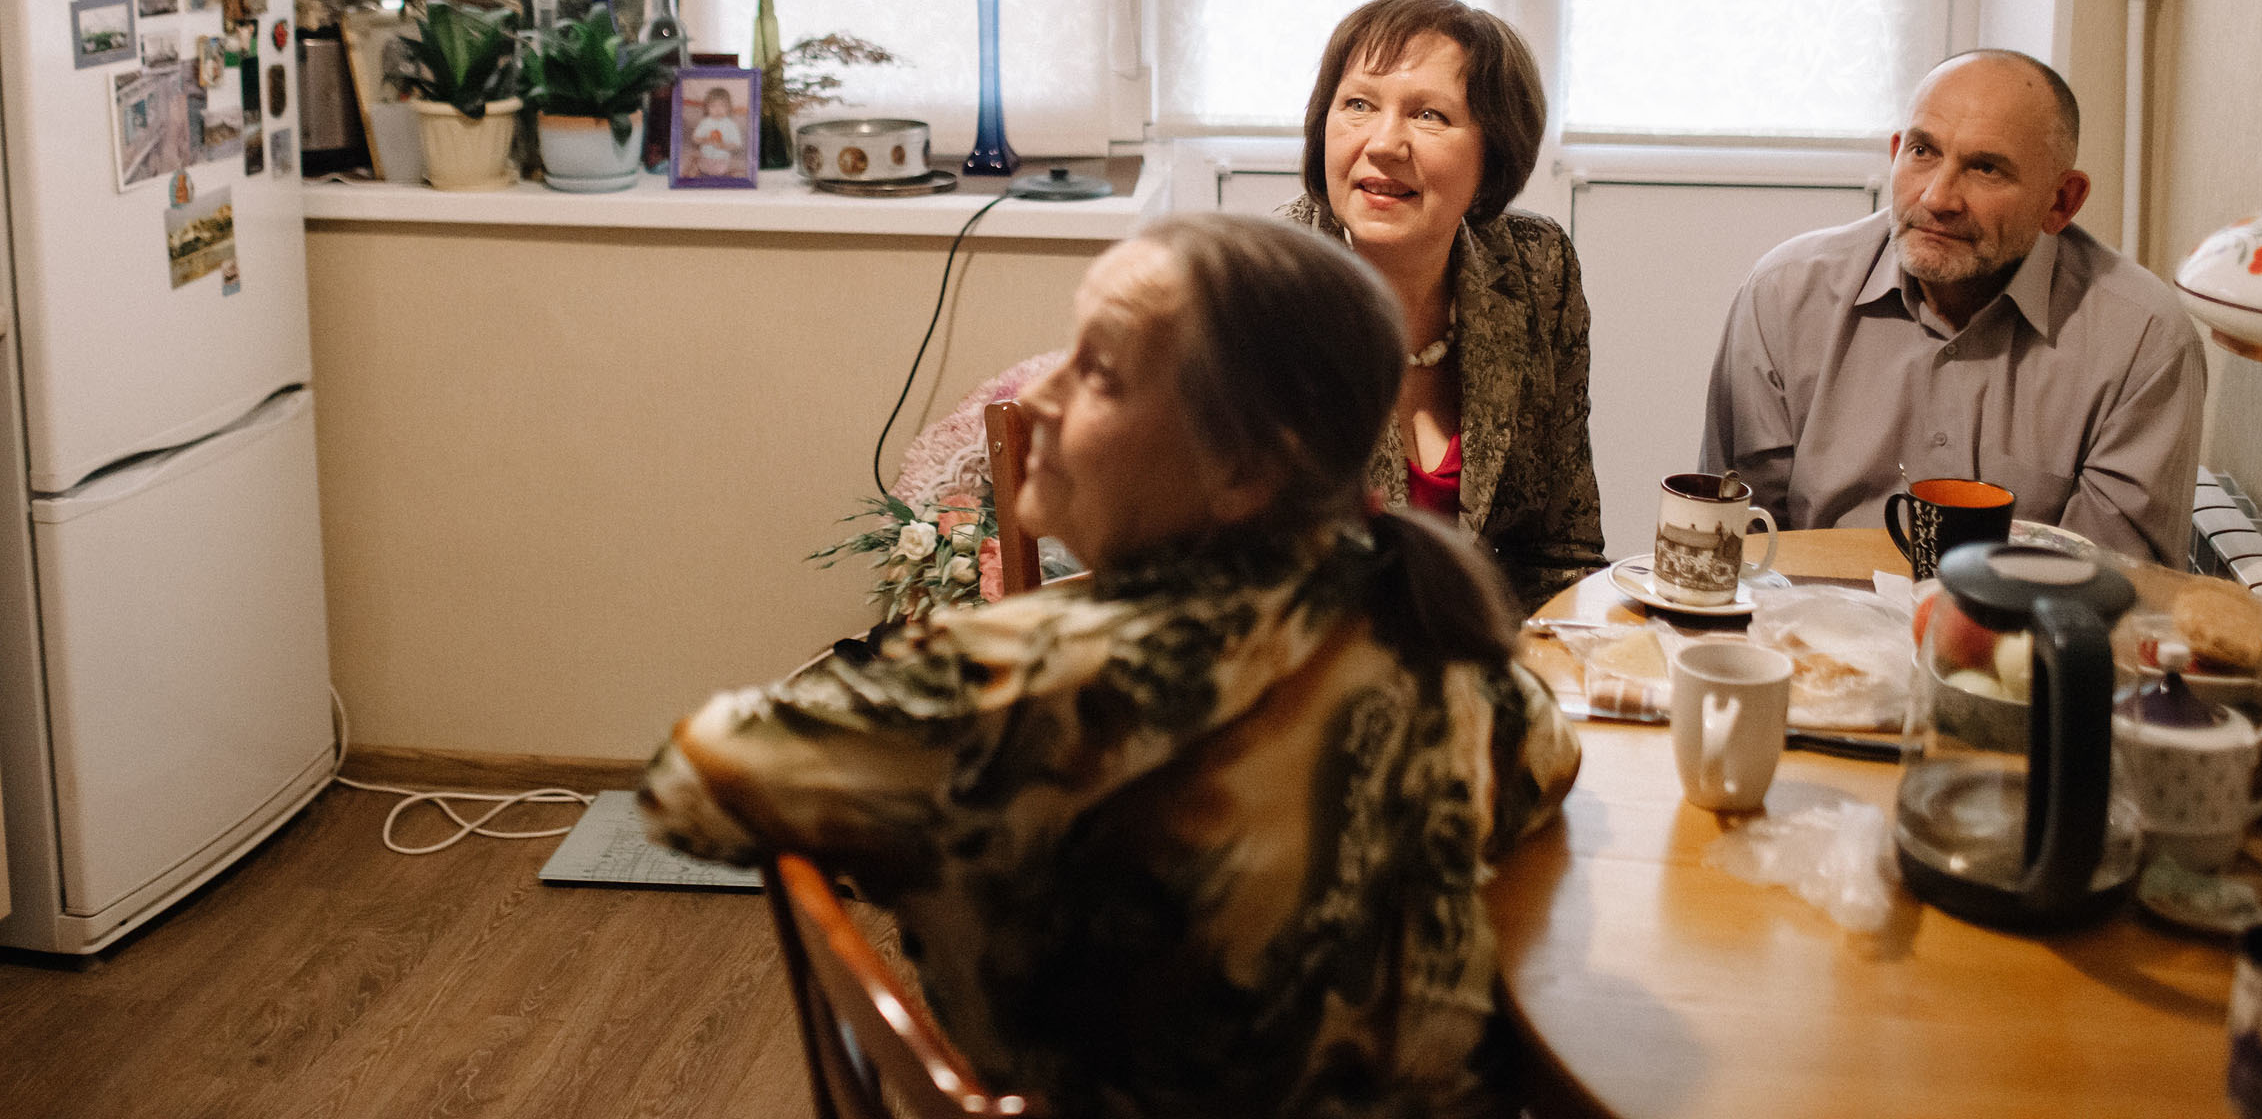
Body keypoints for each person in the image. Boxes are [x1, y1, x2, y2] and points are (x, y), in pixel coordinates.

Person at [642, 214, 1580, 1119]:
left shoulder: (1027, 684)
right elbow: (1550, 758)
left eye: (1096, 372)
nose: (1040, 397)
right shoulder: (1425, 629)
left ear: (1245, 469)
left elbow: (691, 780)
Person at [1700, 48, 2206, 564]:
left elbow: (2109, 588)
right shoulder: (1784, 298)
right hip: (1807, 631)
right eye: (1923, 152)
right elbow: (1738, 548)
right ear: (1897, 151)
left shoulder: (2144, 341)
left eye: (1986, 168)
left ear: (2061, 202)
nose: (1939, 197)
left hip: (2024, 639)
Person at [1280, 0, 1604, 613]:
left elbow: (1562, 554)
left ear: (1494, 155)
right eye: (1357, 105)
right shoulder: (1263, 295)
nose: (1383, 143)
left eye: (1428, 115)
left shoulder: (1538, 271)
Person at [684, 85, 744, 177]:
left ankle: (727, 172)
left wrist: (723, 146)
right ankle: (696, 165)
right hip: (705, 156)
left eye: (722, 106)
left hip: (722, 159)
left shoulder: (731, 125)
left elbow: (737, 144)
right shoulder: (705, 122)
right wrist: (705, 140)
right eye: (713, 106)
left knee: (721, 172)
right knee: (700, 168)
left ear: (729, 107)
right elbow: (695, 138)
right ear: (707, 108)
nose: (718, 110)